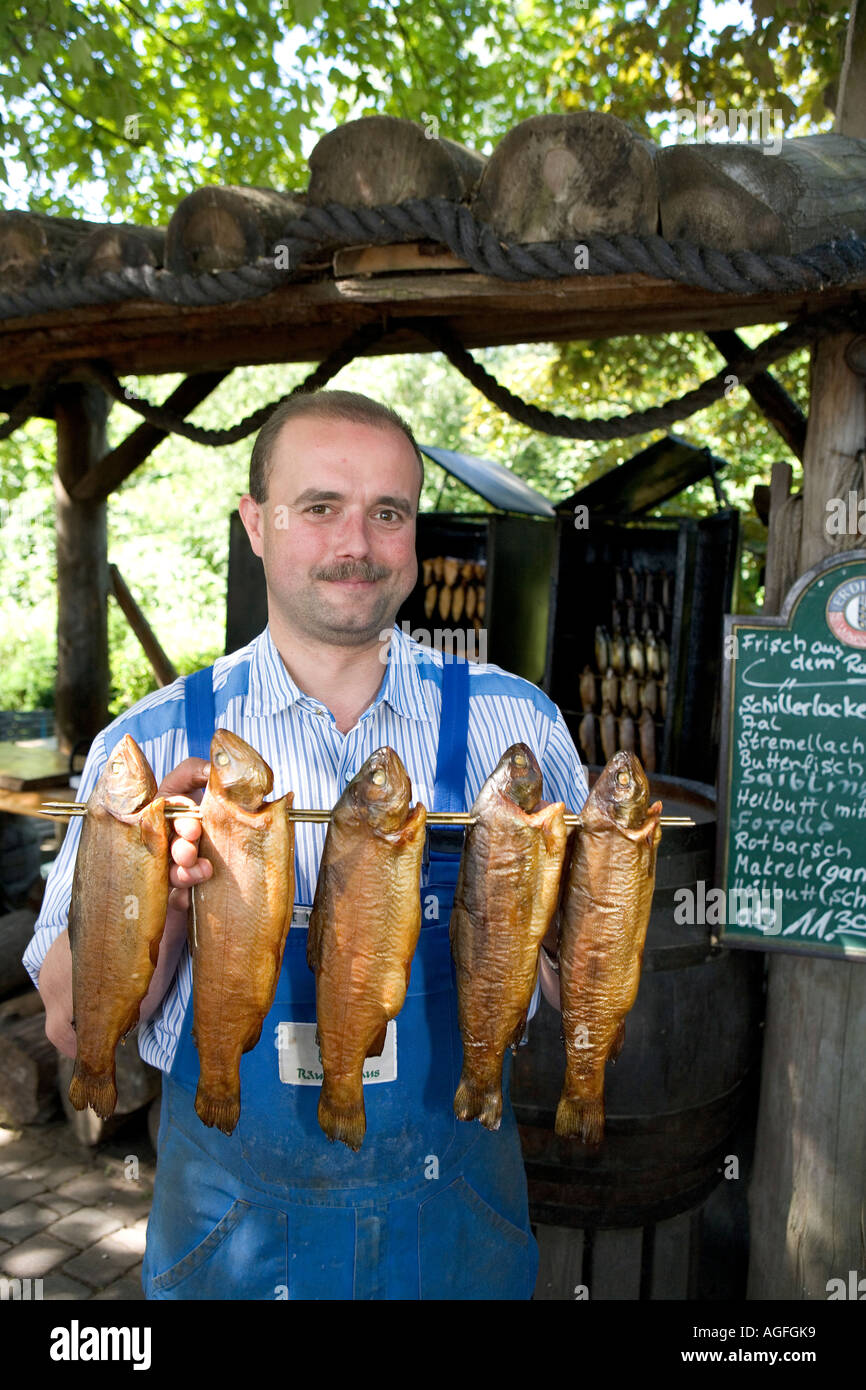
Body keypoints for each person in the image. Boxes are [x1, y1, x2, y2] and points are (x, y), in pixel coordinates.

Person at [26, 389, 588, 1300]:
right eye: (319, 507)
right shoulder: (151, 745)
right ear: (255, 523)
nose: (356, 544)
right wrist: (160, 900)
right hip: (232, 1230)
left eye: (387, 513)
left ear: (414, 532)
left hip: (449, 1229)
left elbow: (565, 984)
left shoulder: (512, 728)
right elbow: (72, 1021)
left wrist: (587, 907)